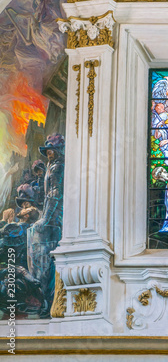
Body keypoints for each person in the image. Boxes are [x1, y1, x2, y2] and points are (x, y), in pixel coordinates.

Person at [28, 133, 65, 315]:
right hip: (51, 218)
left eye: (52, 150)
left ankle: (47, 303)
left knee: (47, 263)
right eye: (48, 150)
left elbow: (55, 194)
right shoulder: (52, 166)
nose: (49, 153)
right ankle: (44, 302)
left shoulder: (58, 167)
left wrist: (46, 218)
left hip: (55, 220)